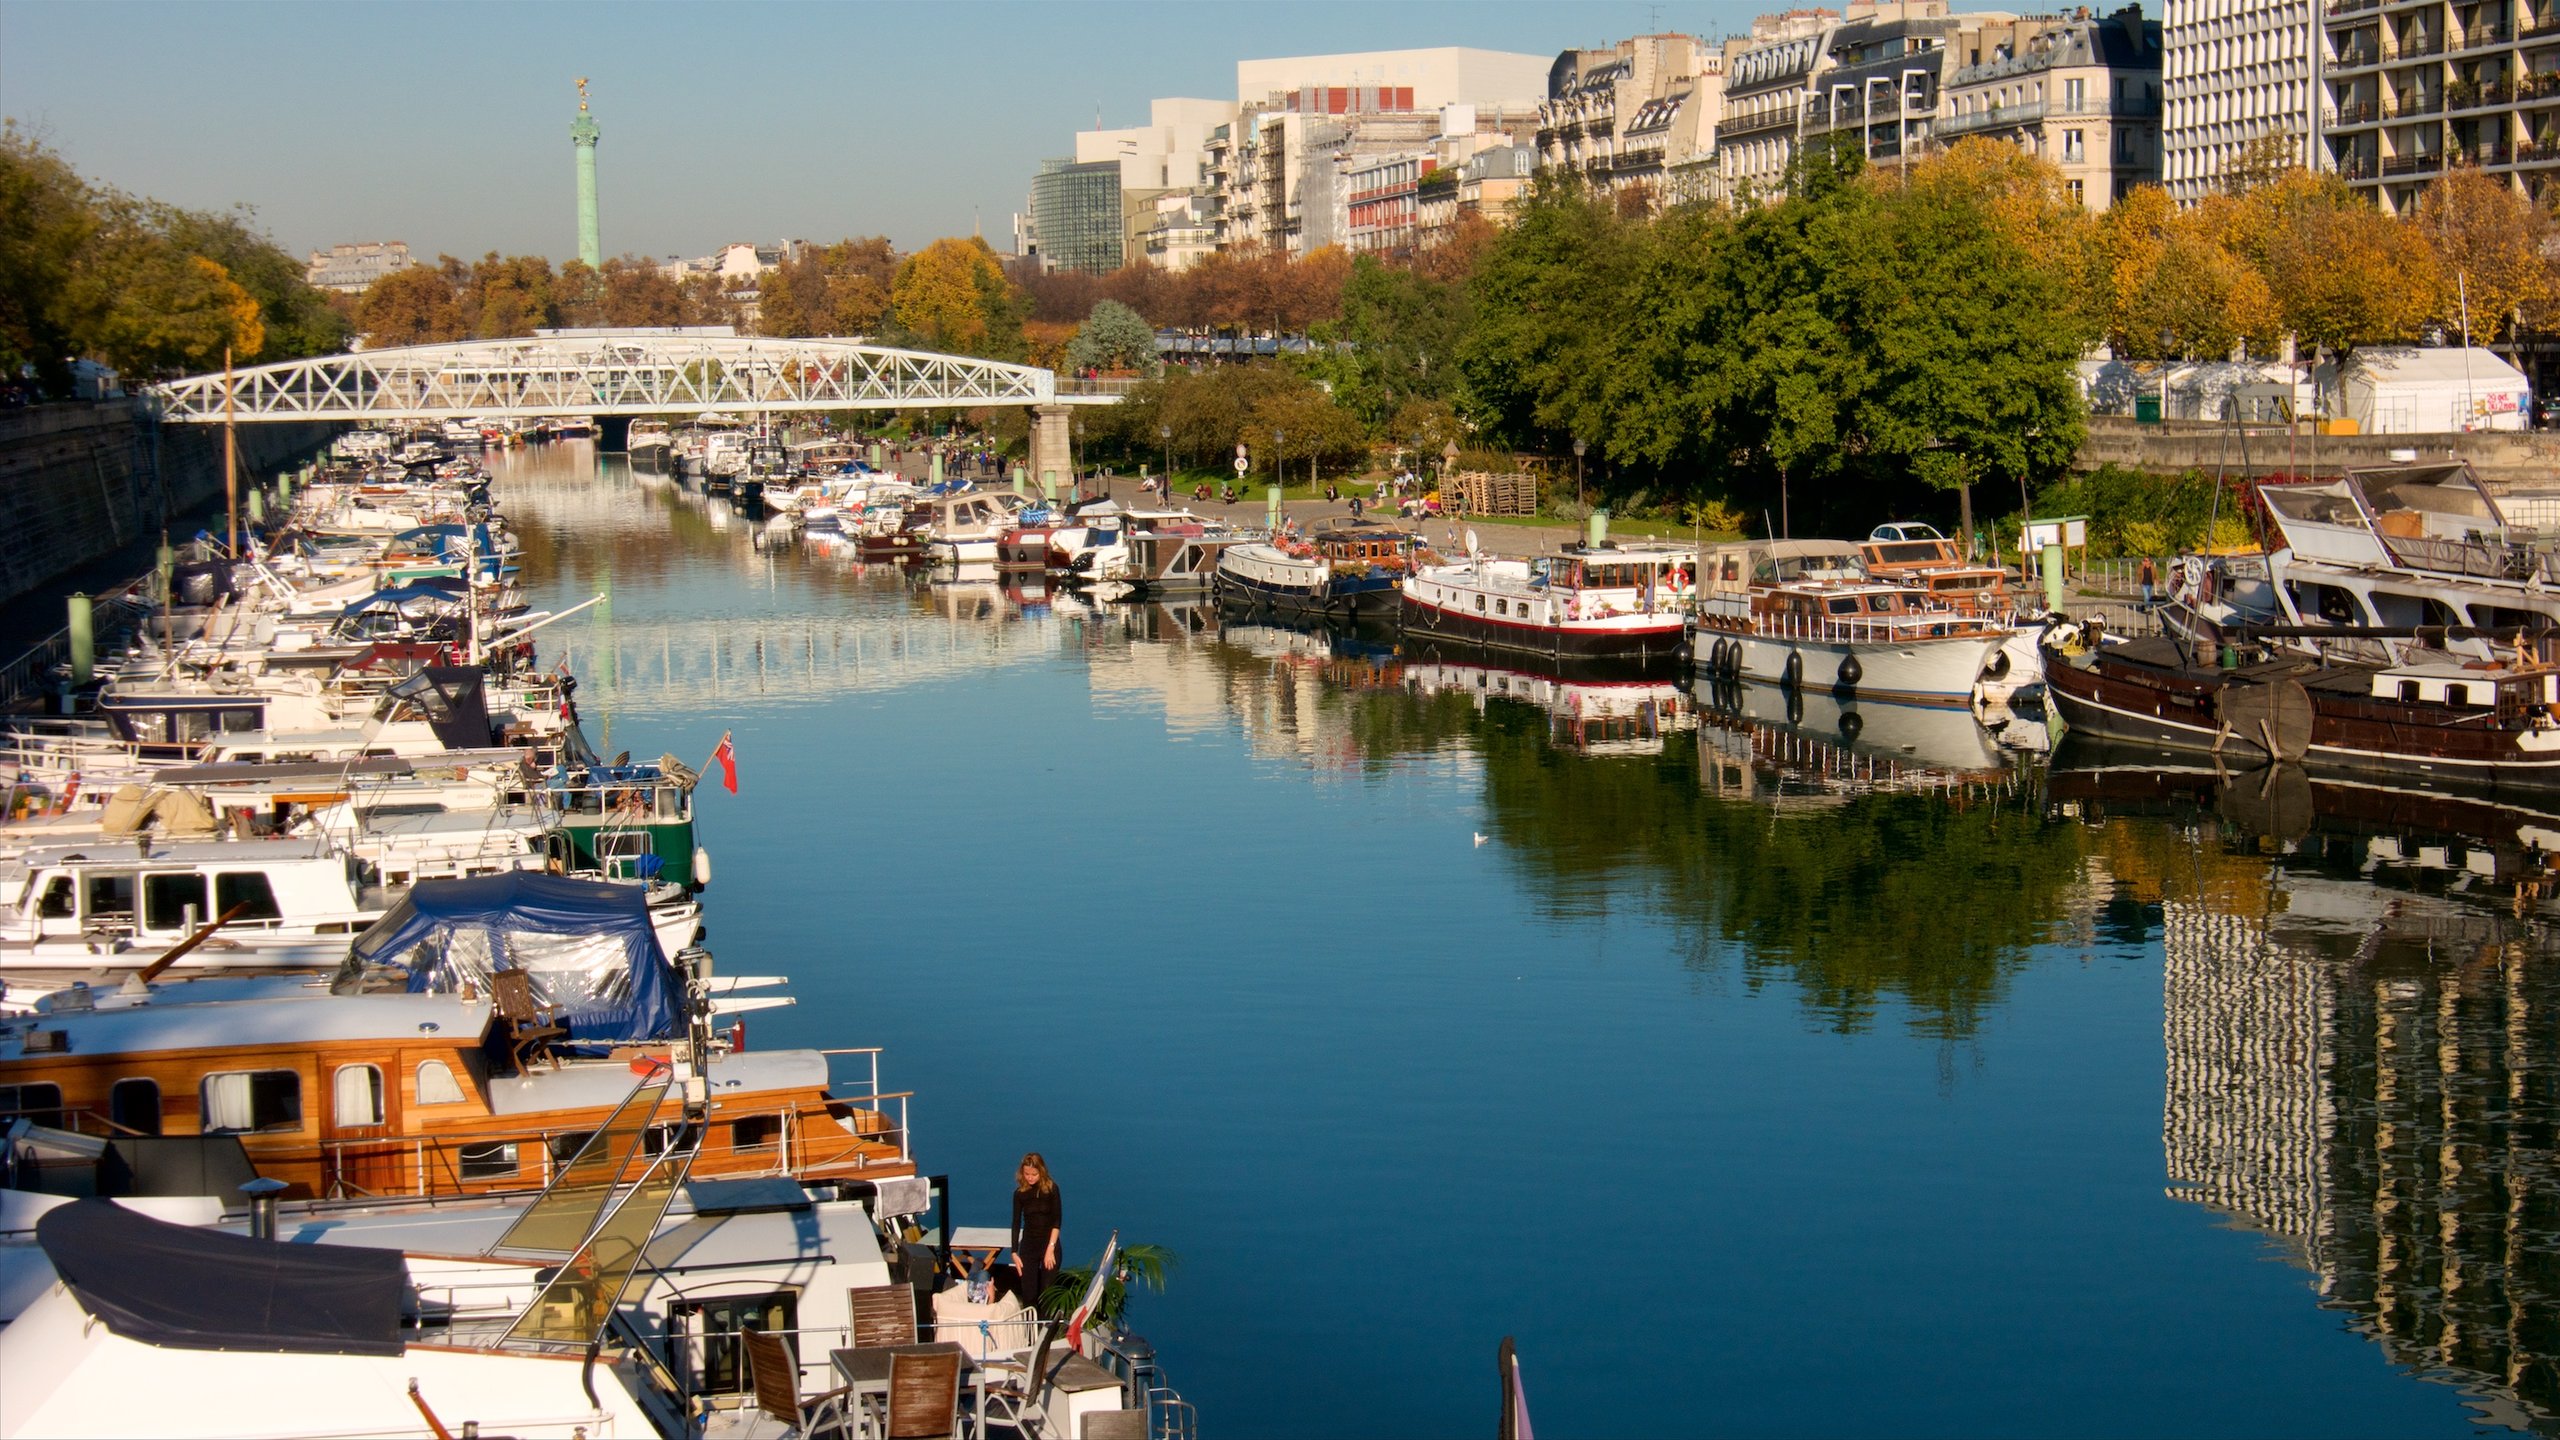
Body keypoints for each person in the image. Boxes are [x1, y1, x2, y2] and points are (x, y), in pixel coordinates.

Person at [1010, 1153, 1062, 1310]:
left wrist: (1050, 1248)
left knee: (1046, 1294)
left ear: (1041, 1172)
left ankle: (1046, 1330)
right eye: (1027, 1174)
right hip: (1029, 1246)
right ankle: (1029, 1331)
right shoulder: (1019, 1194)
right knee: (1029, 1294)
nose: (1030, 1178)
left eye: (1034, 1174)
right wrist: (1014, 1252)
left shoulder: (1052, 1189)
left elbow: (1057, 1221)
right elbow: (1016, 1222)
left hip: (1049, 1245)